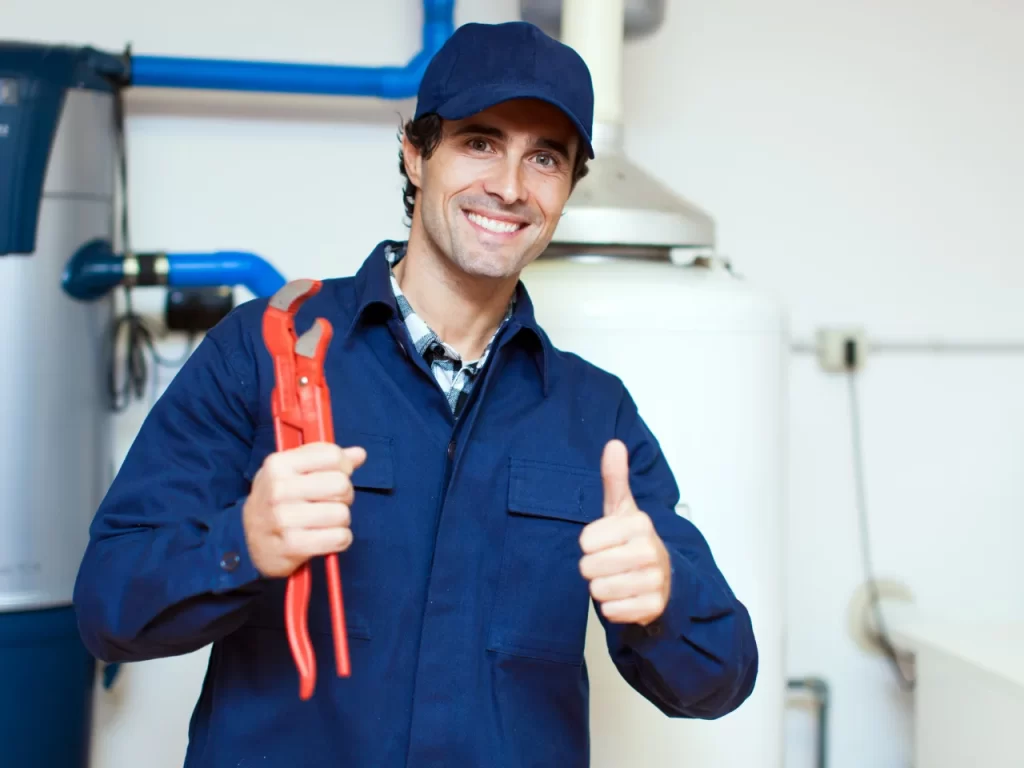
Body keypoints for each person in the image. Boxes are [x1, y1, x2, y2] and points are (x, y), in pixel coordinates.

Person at [73, 20, 758, 768]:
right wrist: (244, 543)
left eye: (545, 157)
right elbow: (107, 609)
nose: (509, 185)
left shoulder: (595, 418)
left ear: (568, 188)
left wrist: (664, 598)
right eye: (479, 142)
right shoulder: (263, 353)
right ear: (415, 152)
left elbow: (722, 679)